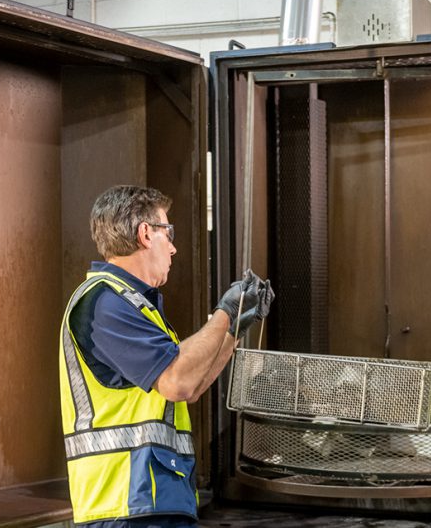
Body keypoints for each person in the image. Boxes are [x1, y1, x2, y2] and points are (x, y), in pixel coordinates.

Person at [59, 185, 273, 528]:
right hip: (126, 502)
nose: (173, 248)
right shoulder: (104, 303)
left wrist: (233, 328)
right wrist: (224, 313)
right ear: (146, 233)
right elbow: (177, 381)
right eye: (167, 233)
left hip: (154, 496)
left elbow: (193, 385)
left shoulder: (136, 306)